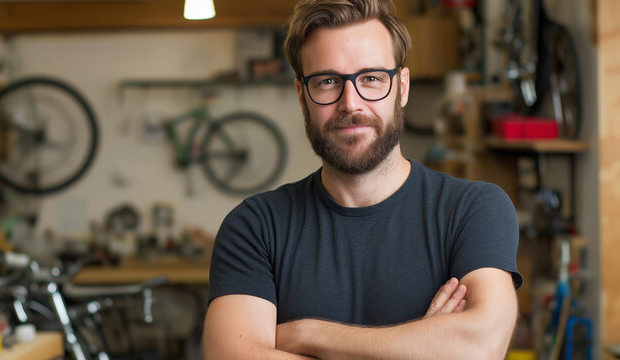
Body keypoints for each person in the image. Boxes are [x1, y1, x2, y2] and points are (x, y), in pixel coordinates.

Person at [203, 0, 523, 358]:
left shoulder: (472, 209)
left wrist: (310, 335)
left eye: (371, 78)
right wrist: (421, 346)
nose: (351, 103)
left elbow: (479, 346)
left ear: (401, 87)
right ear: (302, 96)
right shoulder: (255, 227)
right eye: (327, 82)